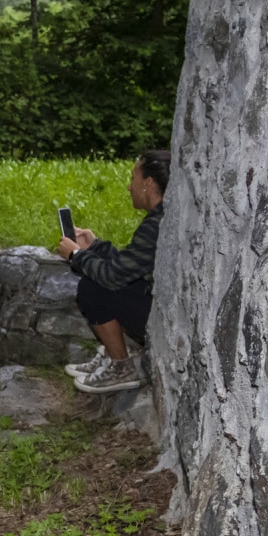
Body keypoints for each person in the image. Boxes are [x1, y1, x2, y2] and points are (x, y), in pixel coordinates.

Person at [57, 149, 170, 394]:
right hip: (158, 304)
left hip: (160, 319)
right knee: (99, 277)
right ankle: (112, 353)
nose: (129, 186)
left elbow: (113, 276)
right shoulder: (163, 217)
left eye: (133, 178)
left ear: (148, 183)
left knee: (93, 287)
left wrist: (76, 255)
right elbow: (131, 264)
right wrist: (94, 245)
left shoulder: (156, 225)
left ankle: (121, 366)